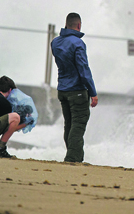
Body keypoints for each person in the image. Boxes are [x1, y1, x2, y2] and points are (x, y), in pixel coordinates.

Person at [51, 12, 98, 163]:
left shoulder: (55, 42)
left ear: (66, 24)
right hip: (77, 90)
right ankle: (72, 159)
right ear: (79, 25)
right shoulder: (78, 43)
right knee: (78, 125)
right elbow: (83, 70)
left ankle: (76, 157)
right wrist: (93, 92)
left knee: (69, 125)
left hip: (62, 90)